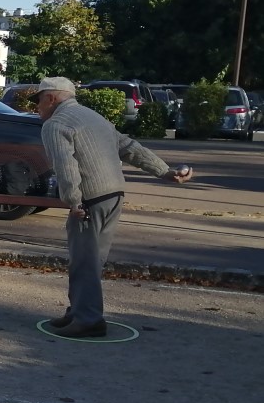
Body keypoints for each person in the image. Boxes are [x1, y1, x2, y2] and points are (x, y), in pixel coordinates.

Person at [35, 77, 192, 338]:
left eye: (39, 100)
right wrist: (165, 171)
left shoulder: (56, 124)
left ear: (51, 98)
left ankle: (87, 319)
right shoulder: (94, 117)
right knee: (92, 260)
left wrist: (73, 201)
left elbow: (65, 165)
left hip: (89, 199)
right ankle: (79, 311)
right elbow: (129, 147)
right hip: (114, 194)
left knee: (83, 260)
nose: (37, 106)